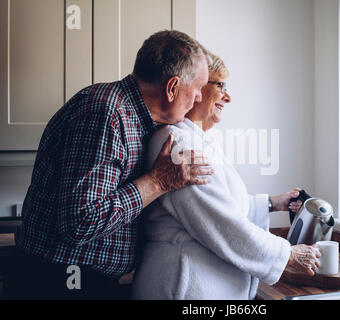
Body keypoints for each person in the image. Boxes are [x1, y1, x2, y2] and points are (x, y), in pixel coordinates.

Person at [5, 30, 214, 300]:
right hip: (59, 283)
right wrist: (158, 182)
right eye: (197, 89)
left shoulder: (133, 116)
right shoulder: (107, 115)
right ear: (172, 87)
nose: (199, 98)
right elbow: (79, 222)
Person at [132, 52, 321, 300]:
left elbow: (224, 205)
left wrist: (270, 203)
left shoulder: (200, 141)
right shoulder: (177, 143)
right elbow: (220, 223)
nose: (227, 97)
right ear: (195, 87)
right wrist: (288, 254)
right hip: (181, 287)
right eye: (219, 85)